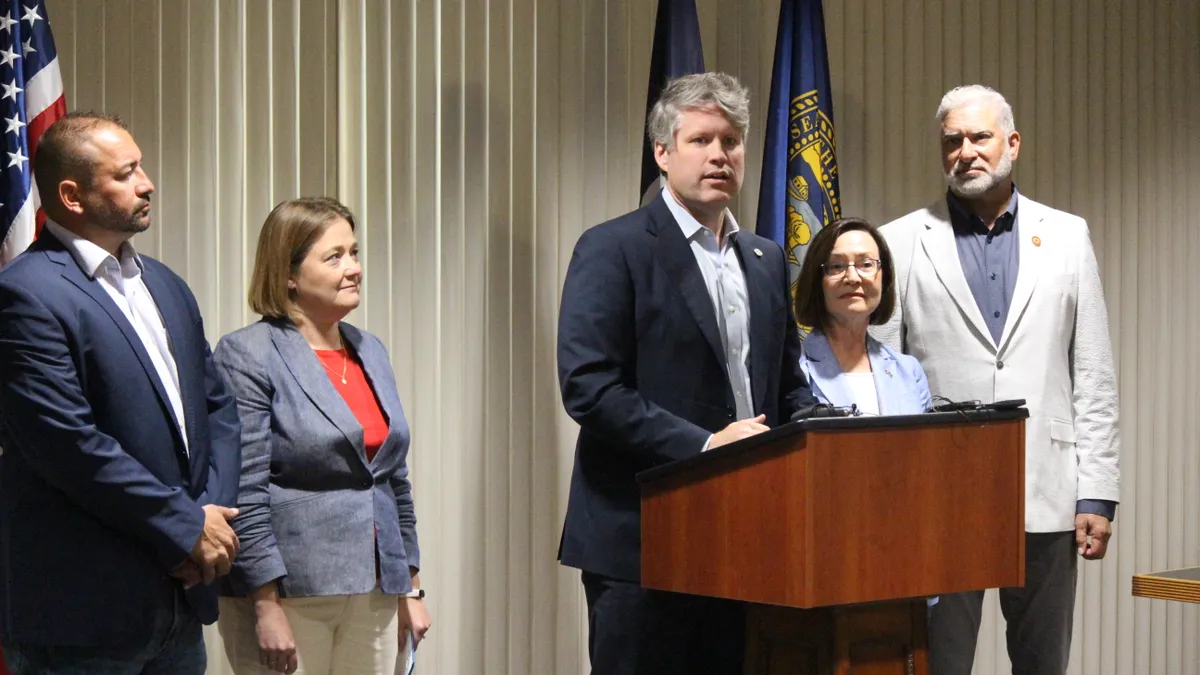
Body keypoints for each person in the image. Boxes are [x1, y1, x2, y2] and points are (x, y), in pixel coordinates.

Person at [556, 72, 819, 675]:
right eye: (701, 140)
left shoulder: (765, 257)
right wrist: (705, 446)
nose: (720, 155)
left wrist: (827, 432)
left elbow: (784, 387)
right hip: (642, 537)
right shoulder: (613, 248)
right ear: (662, 152)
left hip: (743, 537)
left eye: (731, 141)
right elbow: (590, 389)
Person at [874, 85, 1120, 675]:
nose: (966, 152)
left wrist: (1098, 492)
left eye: (980, 137)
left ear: (1012, 144)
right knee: (940, 661)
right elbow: (883, 376)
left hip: (1047, 487)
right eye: (952, 141)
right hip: (937, 495)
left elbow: (1092, 372)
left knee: (1042, 661)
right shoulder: (901, 241)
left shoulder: (1067, 235)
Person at [0, 112, 243, 674]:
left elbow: (217, 410)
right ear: (73, 195)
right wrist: (186, 528)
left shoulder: (165, 284)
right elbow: (68, 445)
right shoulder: (26, 295)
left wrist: (212, 518)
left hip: (182, 600)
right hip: (85, 615)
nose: (147, 182)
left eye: (142, 167)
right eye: (126, 172)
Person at [214, 197, 430, 675]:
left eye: (354, 252)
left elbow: (393, 481)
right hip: (289, 593)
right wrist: (265, 605)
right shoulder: (247, 353)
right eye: (334, 257)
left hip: (374, 588)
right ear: (288, 273)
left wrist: (410, 587)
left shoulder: (369, 348)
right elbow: (243, 491)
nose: (353, 268)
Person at [793, 218, 931, 415]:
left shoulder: (909, 371)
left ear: (884, 279)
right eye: (836, 266)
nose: (852, 278)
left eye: (866, 264)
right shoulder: (793, 370)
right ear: (817, 281)